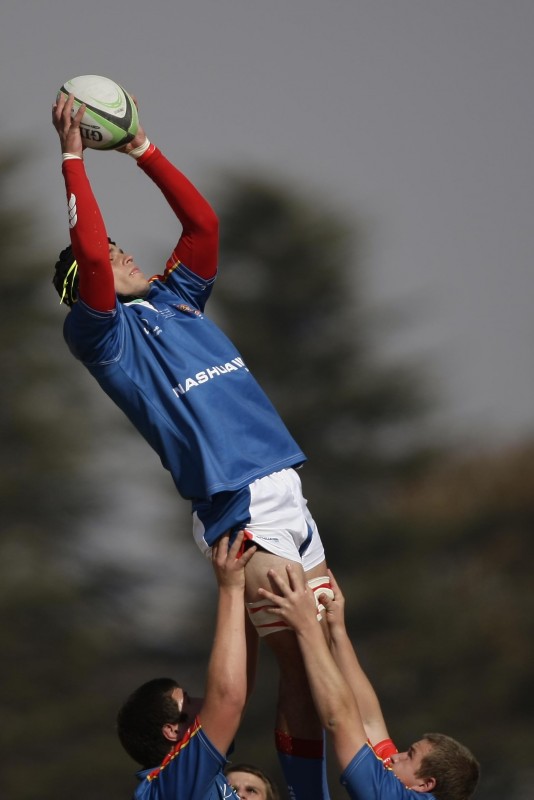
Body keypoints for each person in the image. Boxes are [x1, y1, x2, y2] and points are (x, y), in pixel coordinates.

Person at [52, 91, 331, 797]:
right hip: (242, 507)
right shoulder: (103, 338)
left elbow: (201, 222)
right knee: (303, 672)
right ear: (86, 292)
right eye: (113, 257)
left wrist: (142, 148)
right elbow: (87, 253)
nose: (122, 252)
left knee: (321, 662)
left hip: (284, 491)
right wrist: (72, 158)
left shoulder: (177, 299)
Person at [258, 567, 480, 800]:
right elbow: (368, 721)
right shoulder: (403, 789)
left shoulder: (391, 797)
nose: (396, 756)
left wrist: (306, 626)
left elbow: (340, 719)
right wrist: (337, 630)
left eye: (409, 755)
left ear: (425, 784)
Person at [117, 530, 256, 798]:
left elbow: (238, 692)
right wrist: (230, 588)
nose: (204, 701)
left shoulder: (183, 781)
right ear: (172, 730)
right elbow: (228, 699)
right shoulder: (172, 784)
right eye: (188, 701)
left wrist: (249, 604)